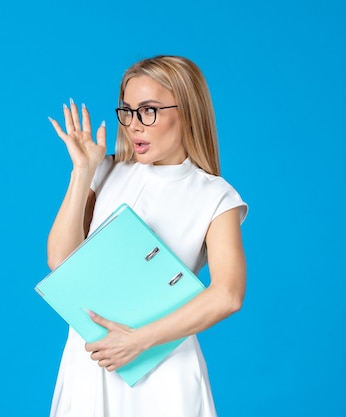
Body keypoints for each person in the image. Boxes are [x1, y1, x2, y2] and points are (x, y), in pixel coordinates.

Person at [45, 55, 248, 417]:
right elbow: (61, 263)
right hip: (93, 359)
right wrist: (81, 171)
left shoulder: (216, 196)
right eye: (127, 111)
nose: (134, 125)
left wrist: (137, 342)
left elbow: (228, 295)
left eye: (149, 111)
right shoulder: (105, 170)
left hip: (161, 365)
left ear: (186, 111)